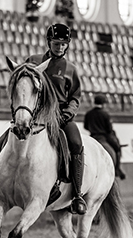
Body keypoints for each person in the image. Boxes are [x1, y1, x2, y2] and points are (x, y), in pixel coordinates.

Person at [25, 23, 87, 215]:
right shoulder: (34, 61)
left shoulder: (71, 69)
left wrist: (67, 114)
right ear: (48, 42)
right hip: (36, 114)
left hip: (61, 116)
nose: (59, 47)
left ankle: (77, 195)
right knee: (4, 140)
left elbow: (75, 97)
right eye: (56, 43)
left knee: (76, 144)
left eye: (63, 44)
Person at [84, 94, 126, 180]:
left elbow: (86, 127)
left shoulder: (88, 114)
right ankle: (117, 169)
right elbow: (109, 129)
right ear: (103, 104)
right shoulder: (105, 114)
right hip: (103, 136)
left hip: (93, 137)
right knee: (117, 148)